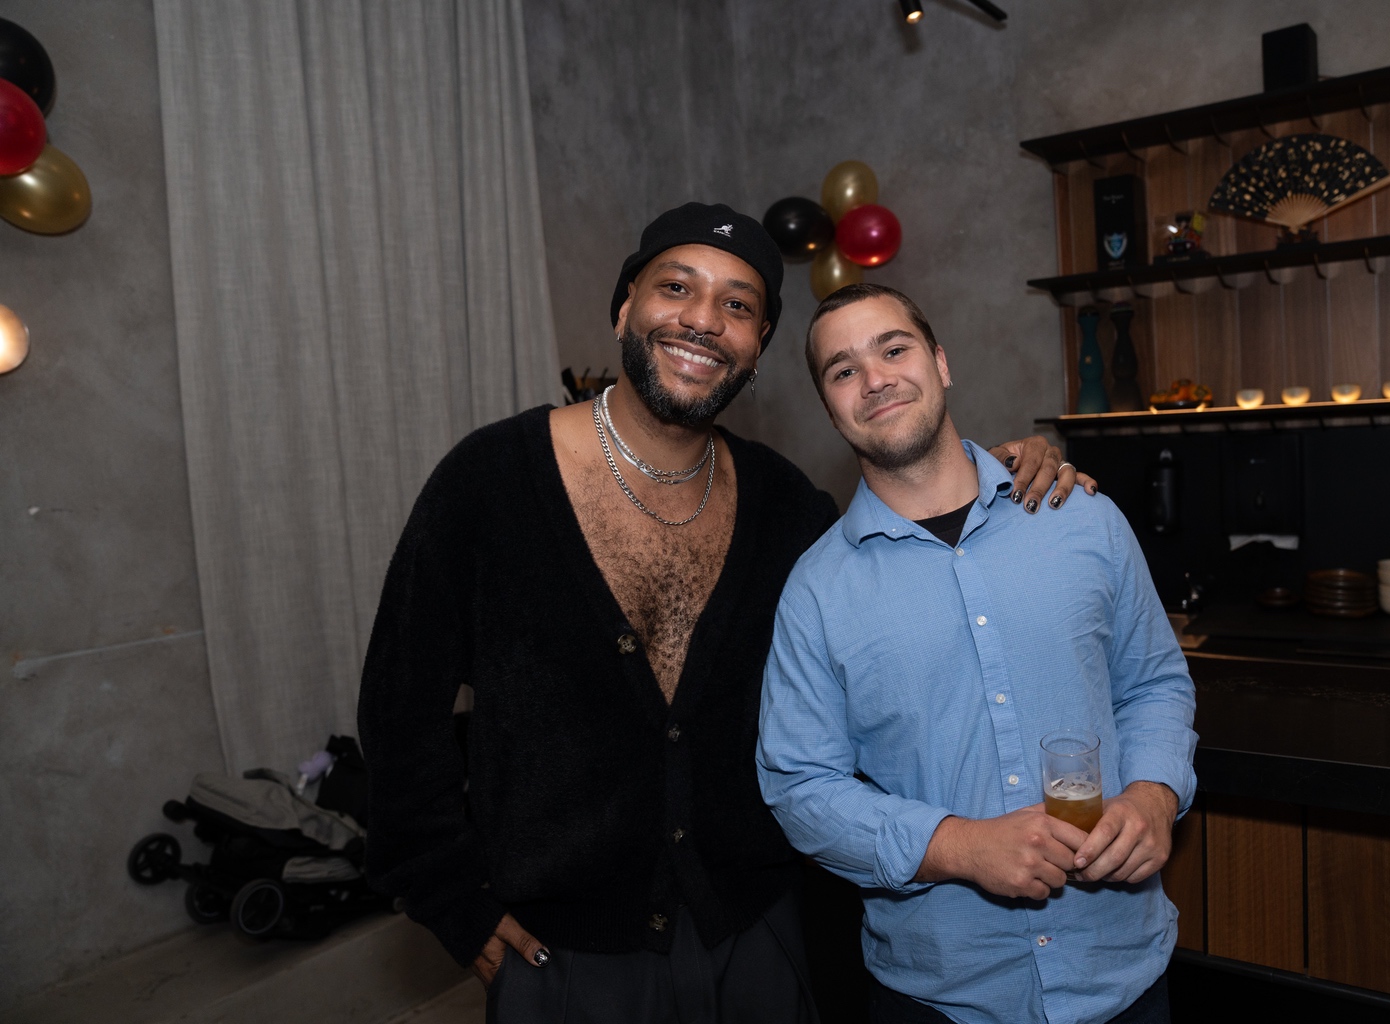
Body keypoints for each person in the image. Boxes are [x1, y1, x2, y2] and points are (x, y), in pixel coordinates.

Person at [357, 205, 1096, 1023]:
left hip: (761, 937)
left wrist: (1011, 471)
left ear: (757, 347)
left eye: (738, 305)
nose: (704, 320)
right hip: (565, 956)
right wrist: (454, 904)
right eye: (676, 287)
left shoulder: (789, 509)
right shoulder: (488, 482)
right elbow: (400, 714)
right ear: (624, 309)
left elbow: (916, 589)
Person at [757, 283, 1197, 1024]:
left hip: (1121, 972)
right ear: (829, 407)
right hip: (941, 997)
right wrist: (957, 848)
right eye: (844, 370)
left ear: (940, 362)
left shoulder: (1081, 518)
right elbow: (799, 786)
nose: (875, 379)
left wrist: (1156, 793)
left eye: (894, 349)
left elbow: (1153, 683)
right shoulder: (816, 592)